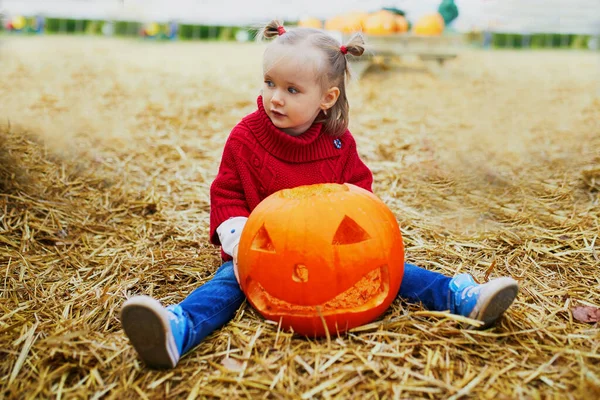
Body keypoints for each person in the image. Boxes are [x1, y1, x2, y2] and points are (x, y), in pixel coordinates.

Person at [120, 20, 519, 369]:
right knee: (227, 286)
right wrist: (241, 240)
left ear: (326, 99)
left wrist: (366, 239)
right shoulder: (245, 138)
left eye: (292, 90)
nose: (276, 97)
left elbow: (360, 194)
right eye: (270, 83)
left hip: (333, 258)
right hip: (265, 254)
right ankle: (178, 328)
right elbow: (226, 192)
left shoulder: (338, 143)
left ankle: (461, 298)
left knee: (396, 274)